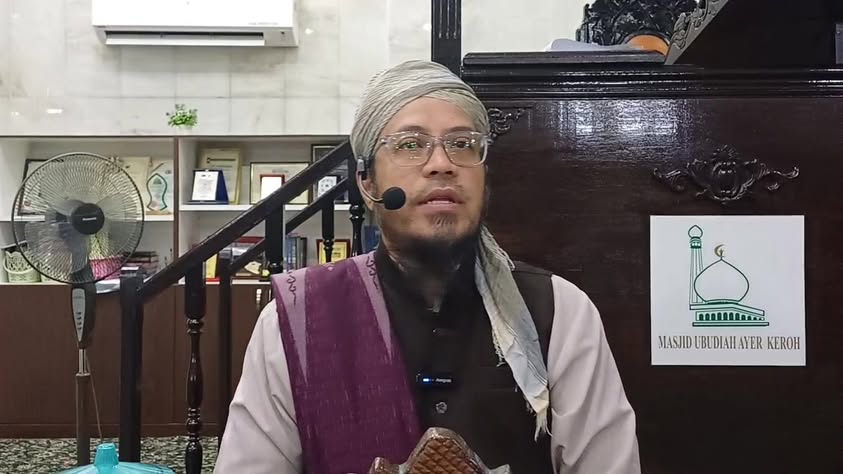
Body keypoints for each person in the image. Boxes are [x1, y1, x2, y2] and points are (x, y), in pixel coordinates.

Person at [215, 60, 640, 474]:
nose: (442, 163)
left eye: (462, 143)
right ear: (367, 182)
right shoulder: (296, 321)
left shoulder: (560, 311)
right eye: (410, 144)